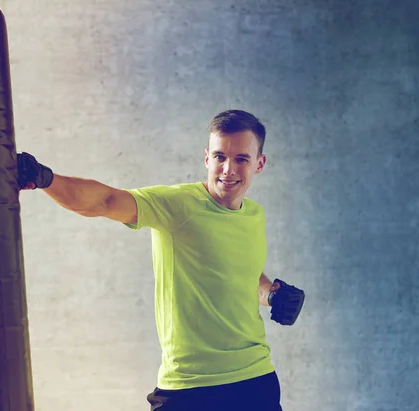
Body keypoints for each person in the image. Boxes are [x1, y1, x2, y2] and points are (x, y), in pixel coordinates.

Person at [16, 109, 305, 411]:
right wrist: (45, 179)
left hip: (253, 381)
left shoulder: (254, 215)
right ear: (207, 158)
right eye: (220, 157)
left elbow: (242, 275)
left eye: (241, 159)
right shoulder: (178, 206)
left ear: (259, 164)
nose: (228, 169)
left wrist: (272, 293)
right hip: (189, 388)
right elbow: (107, 200)